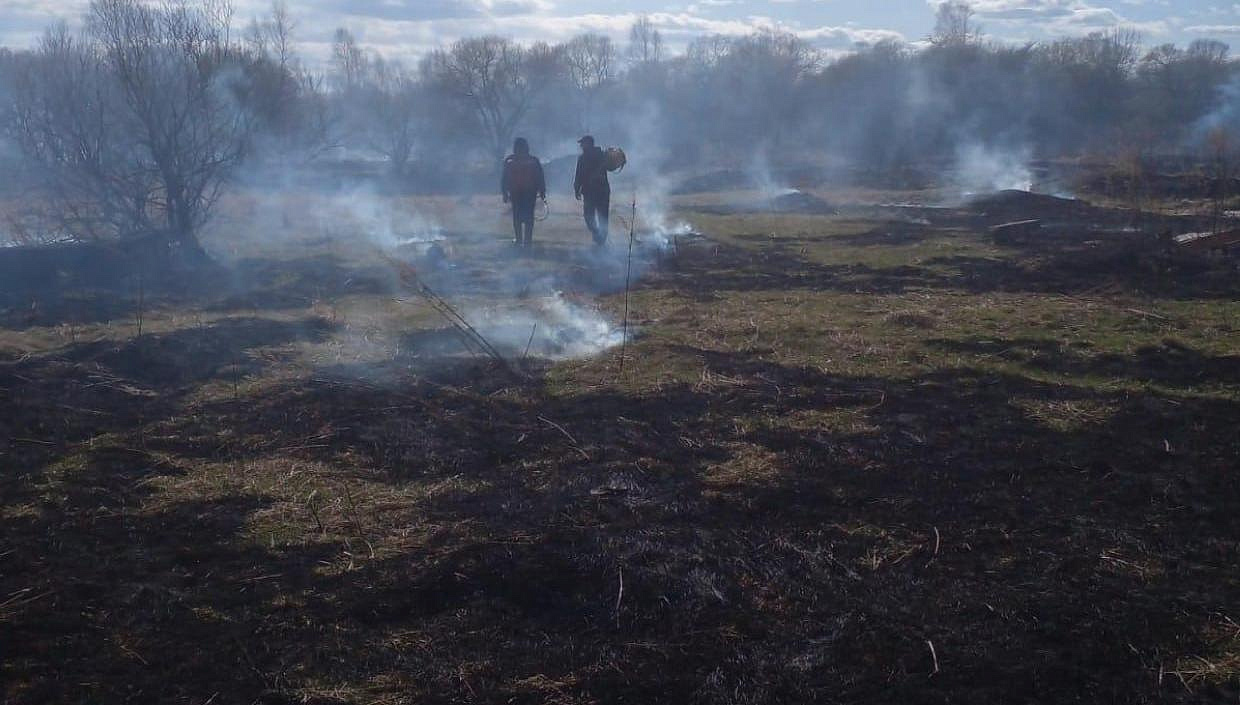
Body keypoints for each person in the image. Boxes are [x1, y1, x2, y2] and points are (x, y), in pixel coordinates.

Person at [501, 137, 546, 248]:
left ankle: (519, 239)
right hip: (530, 193)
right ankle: (527, 240)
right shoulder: (533, 160)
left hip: (516, 193)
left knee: (517, 217)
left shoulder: (509, 161)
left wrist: (504, 193)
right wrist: (542, 191)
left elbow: (504, 179)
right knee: (529, 217)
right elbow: (540, 177)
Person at [573, 135, 610, 246]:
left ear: (588, 144)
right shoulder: (602, 155)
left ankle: (599, 237)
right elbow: (579, 175)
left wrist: (577, 189)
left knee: (591, 216)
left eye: (582, 143)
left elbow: (578, 176)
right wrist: (577, 188)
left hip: (592, 191)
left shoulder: (585, 158)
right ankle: (600, 237)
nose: (581, 146)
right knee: (600, 216)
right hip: (600, 191)